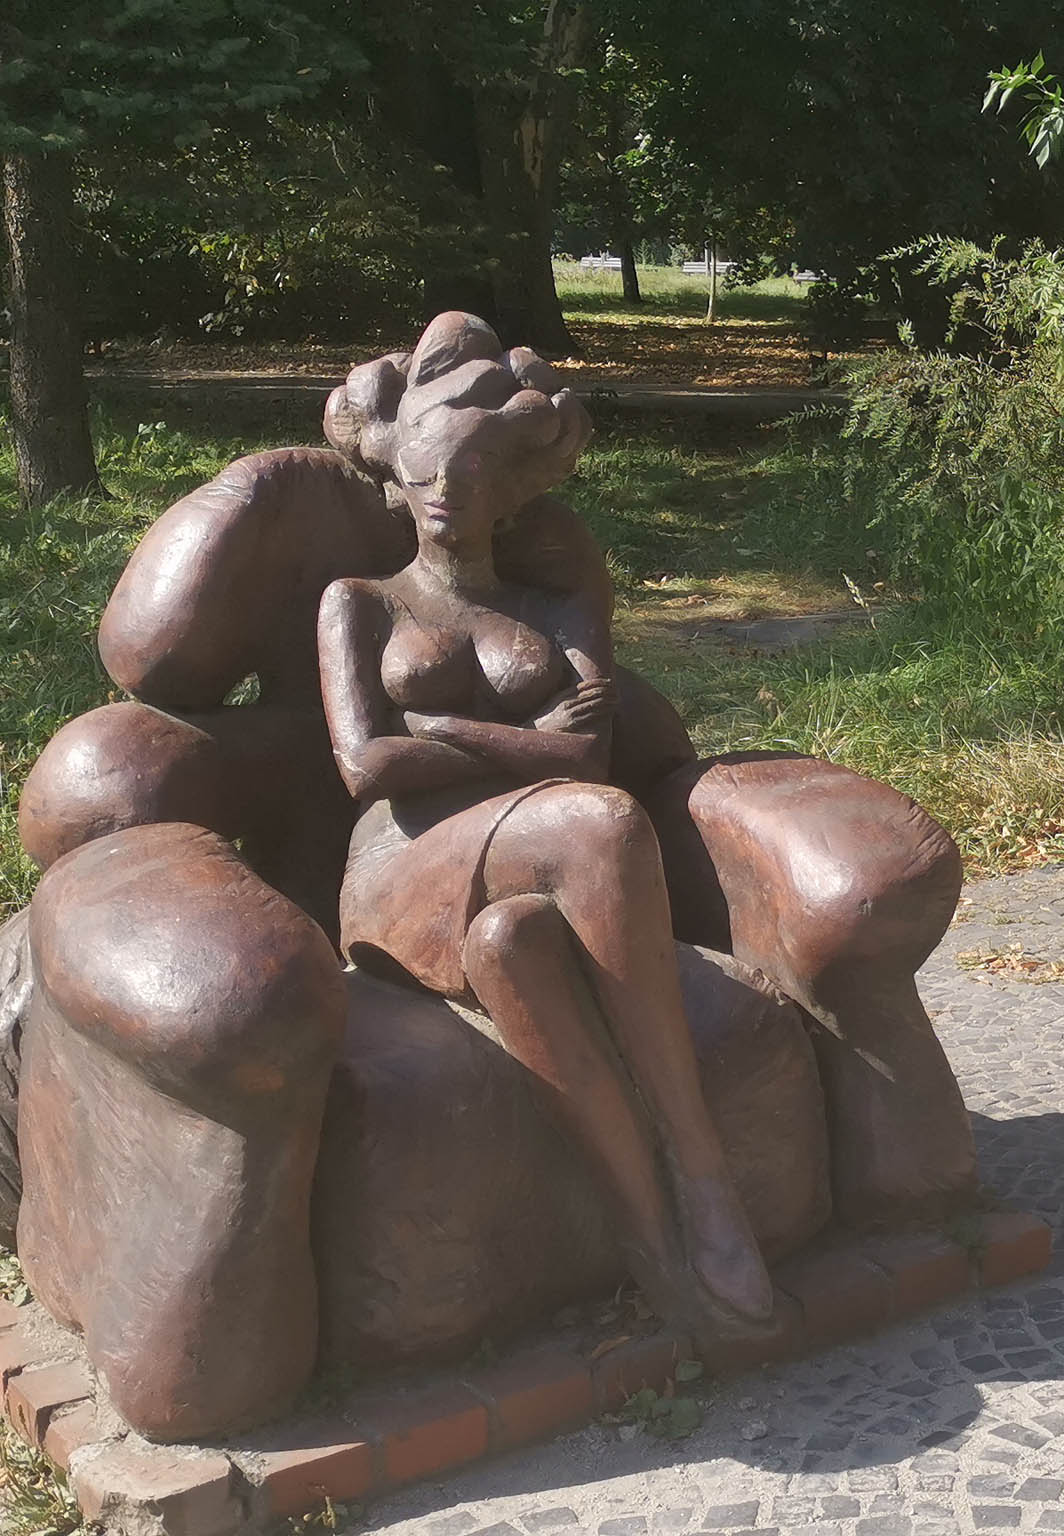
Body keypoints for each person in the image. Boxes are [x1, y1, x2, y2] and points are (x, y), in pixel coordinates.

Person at [315, 312, 774, 1330]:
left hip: (526, 862)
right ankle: (706, 1180)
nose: (446, 495)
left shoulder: (555, 602)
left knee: (516, 941)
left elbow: (588, 755)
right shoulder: (361, 601)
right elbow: (366, 765)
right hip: (403, 864)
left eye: (472, 476)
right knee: (601, 829)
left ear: (513, 488)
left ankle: (653, 1234)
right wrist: (501, 738)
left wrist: (442, 730)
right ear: (394, 482)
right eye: (427, 475)